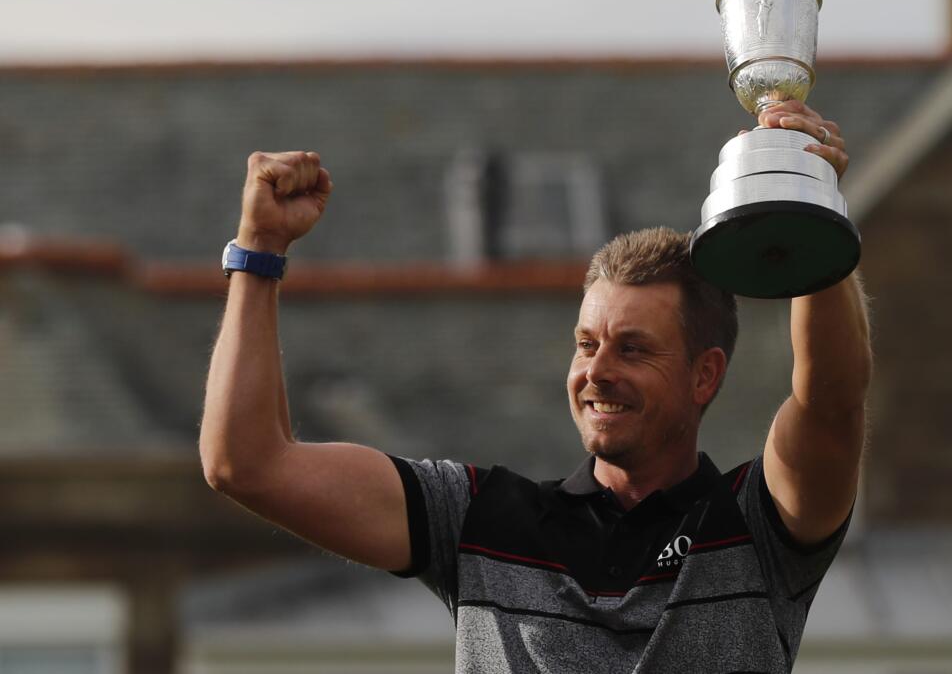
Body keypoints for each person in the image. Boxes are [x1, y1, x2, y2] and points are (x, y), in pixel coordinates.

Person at [200, 99, 871, 673]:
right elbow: (246, 464)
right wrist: (258, 249)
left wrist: (806, 209)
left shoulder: (757, 526)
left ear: (706, 375)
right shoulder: (477, 520)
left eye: (632, 349)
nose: (596, 371)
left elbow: (832, 401)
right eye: (587, 344)